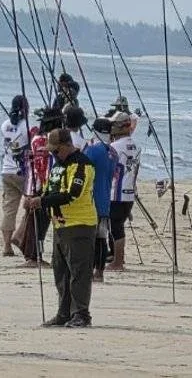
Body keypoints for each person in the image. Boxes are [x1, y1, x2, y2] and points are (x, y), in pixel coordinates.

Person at [24, 128, 97, 328]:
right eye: (51, 151)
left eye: (56, 150)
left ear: (67, 145)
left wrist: (42, 201)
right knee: (61, 271)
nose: (54, 154)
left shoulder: (82, 165)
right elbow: (50, 189)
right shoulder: (57, 166)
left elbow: (72, 194)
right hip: (60, 225)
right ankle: (64, 313)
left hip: (80, 224)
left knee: (79, 272)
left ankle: (81, 314)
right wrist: (37, 199)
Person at [19, 108, 63, 267]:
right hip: (40, 187)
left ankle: (35, 254)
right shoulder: (42, 142)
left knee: (39, 223)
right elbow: (43, 169)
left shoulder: (37, 139)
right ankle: (34, 255)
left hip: (36, 186)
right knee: (39, 224)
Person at [85, 116, 117, 283]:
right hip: (105, 199)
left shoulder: (92, 150)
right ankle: (100, 272)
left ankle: (90, 270)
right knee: (101, 237)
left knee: (90, 238)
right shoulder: (113, 152)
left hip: (91, 199)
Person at [108, 112, 140, 271]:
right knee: (118, 226)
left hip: (116, 192)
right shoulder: (136, 146)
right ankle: (117, 259)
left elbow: (110, 170)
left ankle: (118, 261)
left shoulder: (114, 147)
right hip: (129, 192)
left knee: (115, 227)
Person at [0, 95, 30, 257]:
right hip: (22, 171)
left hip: (6, 170)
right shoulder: (28, 126)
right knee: (32, 205)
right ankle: (19, 235)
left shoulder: (5, 125)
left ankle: (6, 246)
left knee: (9, 209)